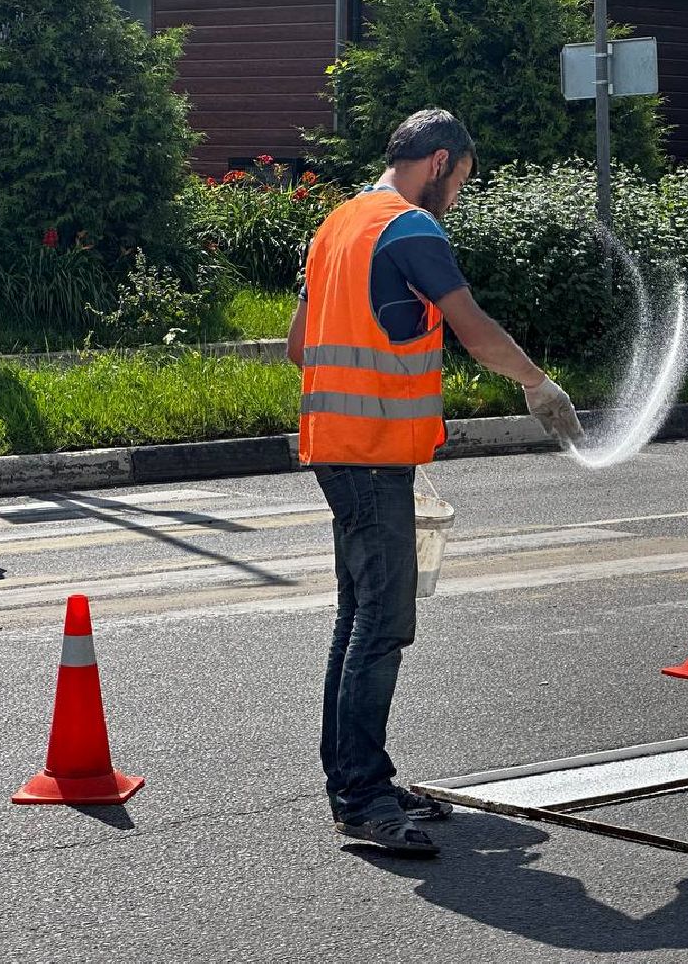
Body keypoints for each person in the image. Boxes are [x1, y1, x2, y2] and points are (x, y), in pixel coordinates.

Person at [286, 109, 584, 856]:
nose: (458, 196)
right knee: (381, 624)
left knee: (359, 619)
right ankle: (360, 800)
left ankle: (365, 779)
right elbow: (471, 326)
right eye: (461, 182)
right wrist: (538, 384)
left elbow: (299, 346)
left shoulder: (339, 223)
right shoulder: (411, 230)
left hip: (339, 447)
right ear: (439, 162)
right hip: (374, 453)